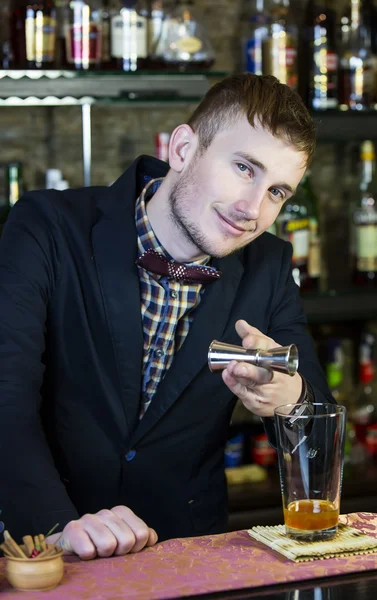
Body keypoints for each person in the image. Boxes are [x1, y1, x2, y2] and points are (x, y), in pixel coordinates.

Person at [0, 73, 334, 560]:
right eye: (243, 167)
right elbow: (6, 399)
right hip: (45, 548)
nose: (252, 209)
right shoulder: (47, 228)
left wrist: (290, 398)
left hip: (186, 557)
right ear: (182, 149)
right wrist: (57, 525)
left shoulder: (270, 266)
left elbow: (322, 435)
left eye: (278, 192)